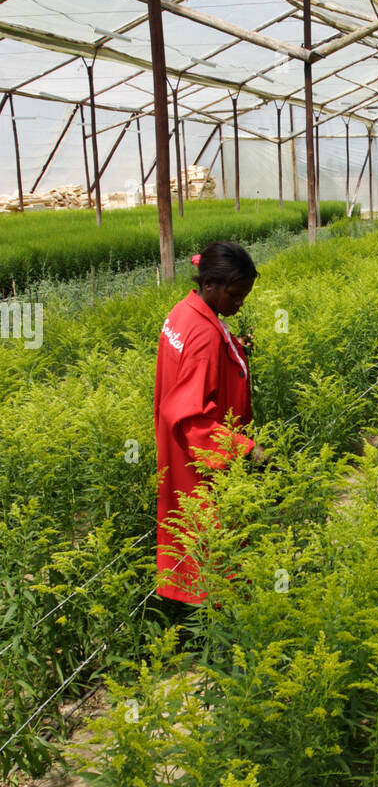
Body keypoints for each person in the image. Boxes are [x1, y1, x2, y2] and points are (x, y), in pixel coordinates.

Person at [154, 241, 266, 609]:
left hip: (179, 449)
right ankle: (221, 629)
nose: (240, 303)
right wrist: (245, 449)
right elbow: (189, 416)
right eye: (235, 294)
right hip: (200, 457)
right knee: (212, 544)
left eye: (245, 295)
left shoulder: (185, 313)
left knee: (191, 532)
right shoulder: (203, 335)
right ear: (210, 285)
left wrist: (232, 346)